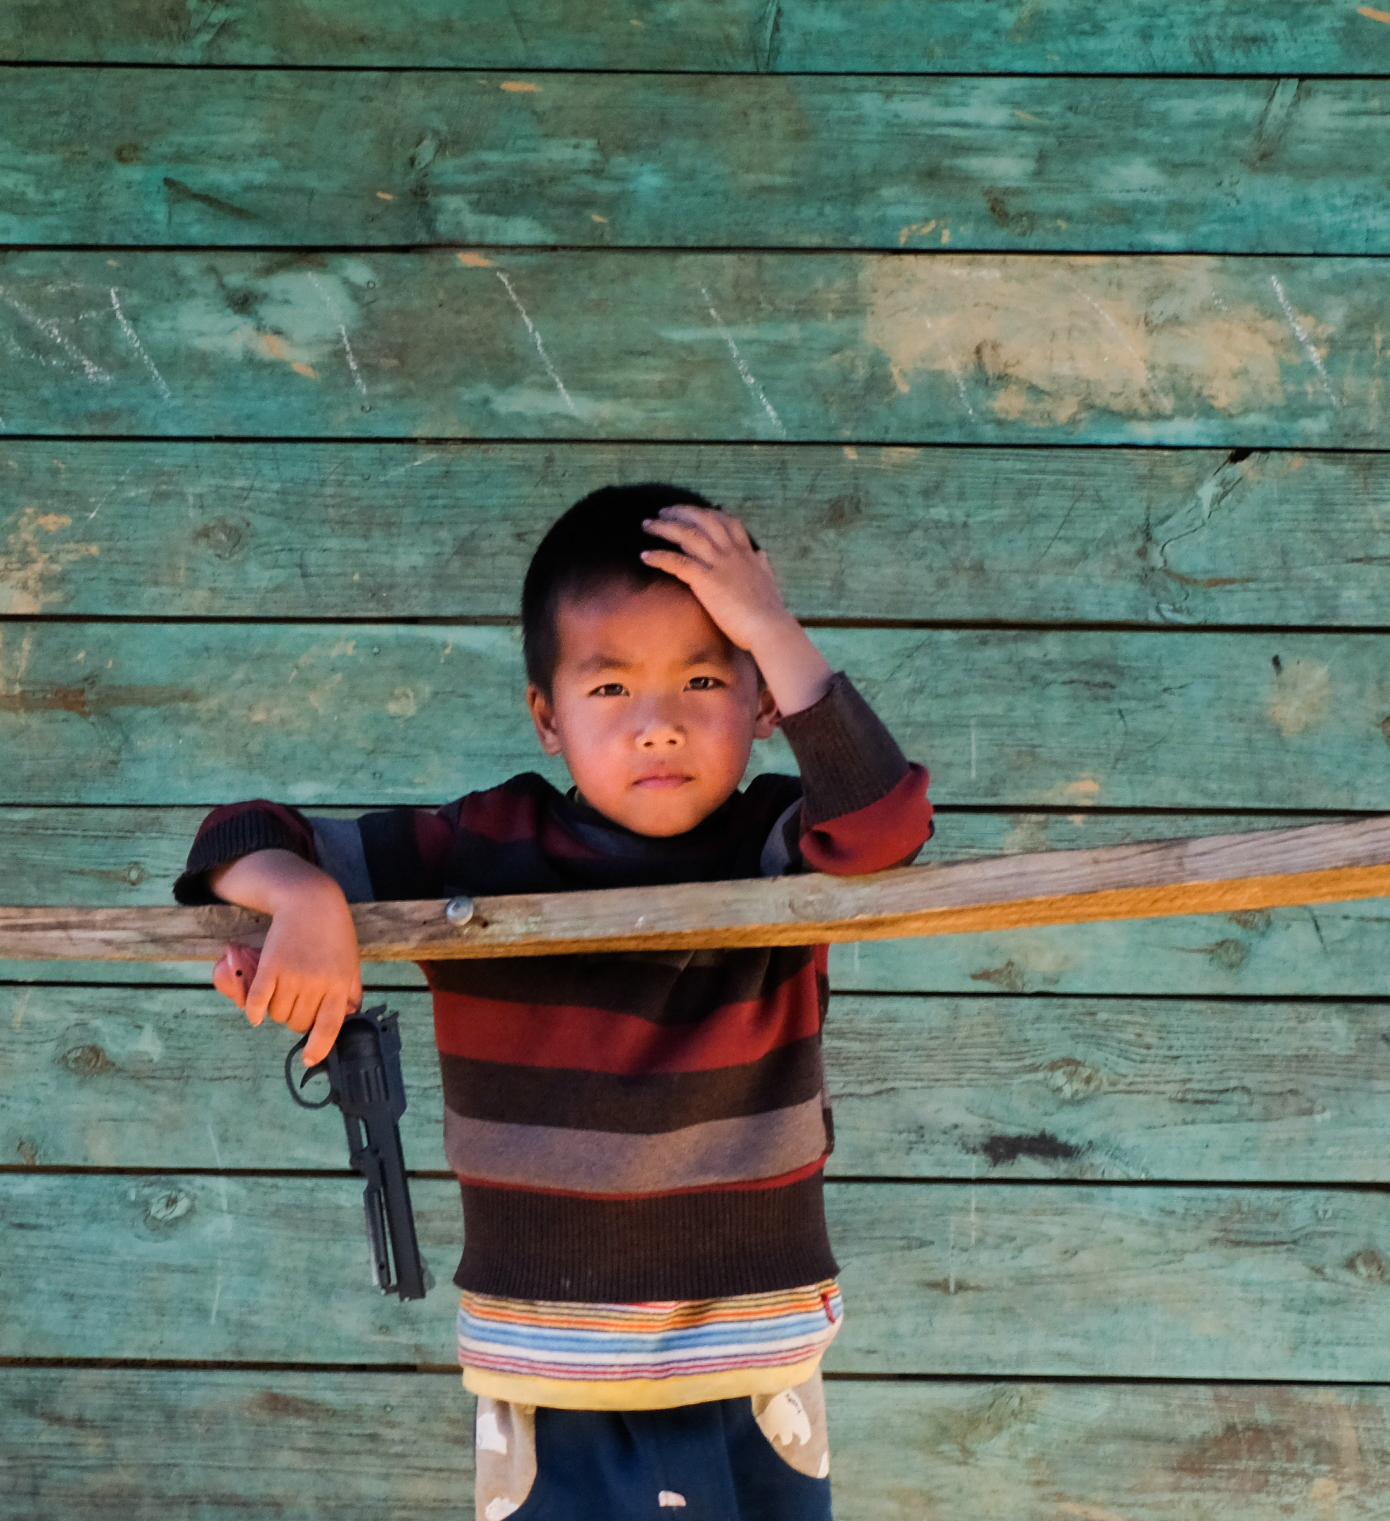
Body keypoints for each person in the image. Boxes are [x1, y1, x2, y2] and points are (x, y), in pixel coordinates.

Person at [177, 483, 934, 1520]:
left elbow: (886, 823)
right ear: (546, 713)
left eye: (706, 676)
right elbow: (239, 833)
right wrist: (299, 896)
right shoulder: (485, 847)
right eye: (611, 686)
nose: (659, 724)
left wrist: (771, 622)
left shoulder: (779, 845)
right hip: (548, 1361)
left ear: (764, 702)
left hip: (751, 1356)